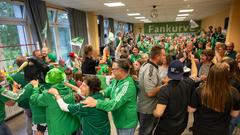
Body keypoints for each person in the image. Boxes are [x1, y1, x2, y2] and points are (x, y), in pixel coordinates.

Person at [82, 59, 138, 135]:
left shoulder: (128, 86)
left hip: (126, 124)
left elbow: (114, 103)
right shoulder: (117, 80)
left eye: (113, 69)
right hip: (119, 120)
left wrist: (96, 102)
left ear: (120, 71)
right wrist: (98, 94)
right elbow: (109, 90)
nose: (111, 71)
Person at [188, 62, 240, 135]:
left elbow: (191, 109)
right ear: (226, 76)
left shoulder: (200, 90)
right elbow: (234, 114)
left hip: (201, 129)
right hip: (221, 130)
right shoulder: (234, 92)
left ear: (210, 75)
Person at [153, 54, 198, 135]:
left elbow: (159, 113)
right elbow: (194, 74)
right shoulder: (187, 83)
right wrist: (192, 59)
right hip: (181, 125)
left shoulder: (165, 89)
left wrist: (153, 111)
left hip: (166, 128)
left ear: (169, 71)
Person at [30, 68, 80, 135]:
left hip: (59, 129)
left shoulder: (48, 93)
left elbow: (34, 99)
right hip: (72, 126)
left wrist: (35, 87)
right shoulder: (68, 89)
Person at [138, 46, 166, 135]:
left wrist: (162, 80)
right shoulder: (150, 69)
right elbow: (150, 92)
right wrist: (165, 86)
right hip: (147, 109)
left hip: (147, 107)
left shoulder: (150, 65)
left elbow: (153, 81)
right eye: (163, 55)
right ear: (157, 56)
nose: (165, 58)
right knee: (145, 132)